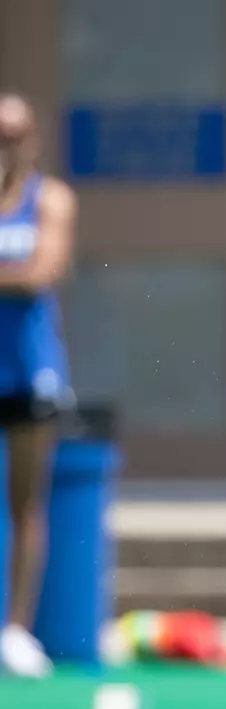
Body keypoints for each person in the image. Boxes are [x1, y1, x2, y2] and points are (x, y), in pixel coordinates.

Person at [0, 94, 76, 678]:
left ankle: (17, 629)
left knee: (26, 502)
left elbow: (43, 270)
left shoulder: (50, 200)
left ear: (32, 140)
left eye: (15, 134)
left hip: (29, 372)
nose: (7, 144)